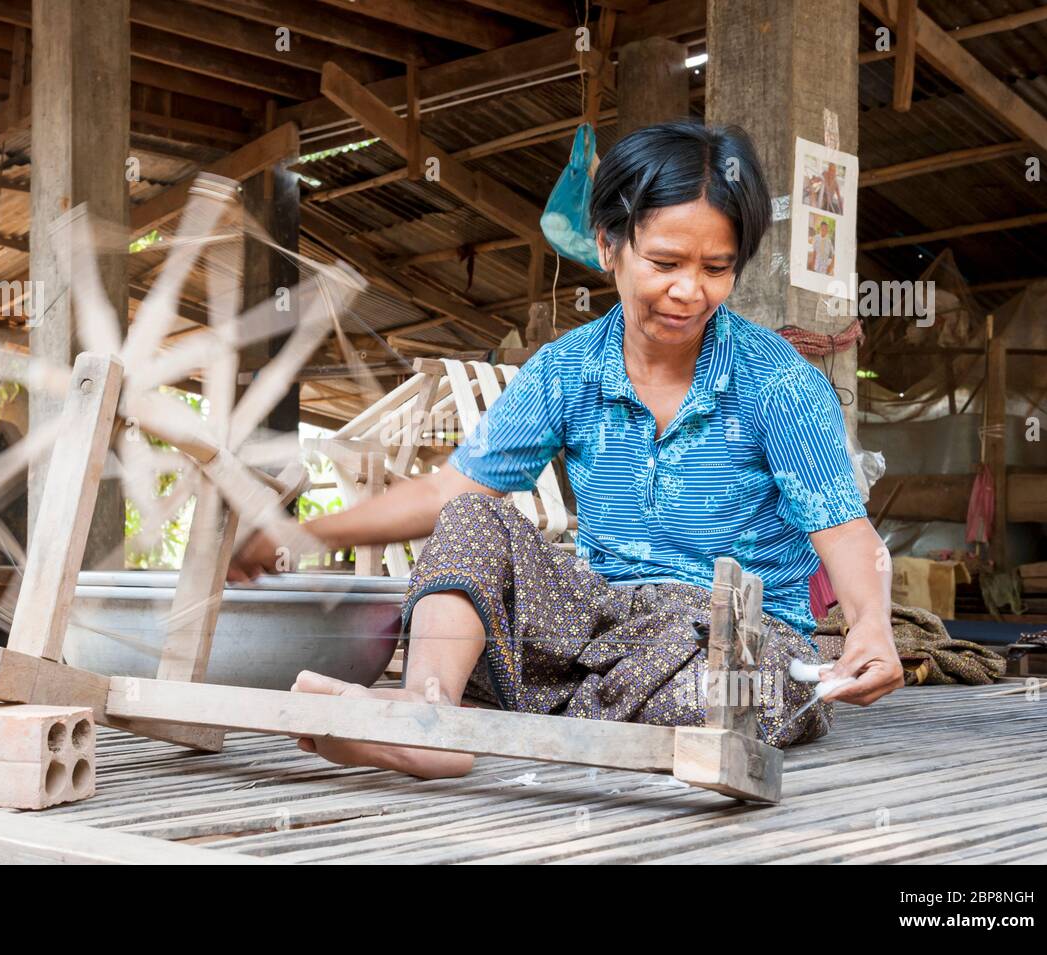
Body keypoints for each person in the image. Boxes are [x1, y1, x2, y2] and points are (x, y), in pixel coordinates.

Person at [230, 120, 903, 779]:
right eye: (664, 262)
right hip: (602, 619)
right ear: (609, 245)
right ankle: (425, 712)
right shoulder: (564, 371)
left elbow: (844, 532)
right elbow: (445, 492)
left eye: (716, 268)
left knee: (715, 693)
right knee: (472, 519)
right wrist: (302, 533)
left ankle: (505, 714)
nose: (689, 290)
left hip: (736, 636)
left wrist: (872, 624)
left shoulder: (779, 382)